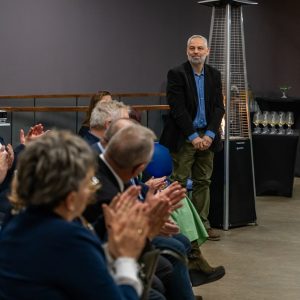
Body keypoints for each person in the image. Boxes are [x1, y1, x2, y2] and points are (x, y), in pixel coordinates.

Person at [0, 130, 149, 300]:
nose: (91, 193)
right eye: (88, 184)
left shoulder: (16, 216)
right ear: (70, 199)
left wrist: (106, 227)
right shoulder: (67, 238)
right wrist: (126, 259)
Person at [160, 34, 225, 241]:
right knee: (178, 183)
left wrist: (210, 135)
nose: (196, 52)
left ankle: (202, 225)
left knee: (203, 181)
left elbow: (218, 107)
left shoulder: (214, 75)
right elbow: (177, 109)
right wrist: (193, 136)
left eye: (199, 48)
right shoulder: (176, 74)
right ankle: (180, 226)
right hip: (184, 137)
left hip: (208, 136)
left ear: (207, 52)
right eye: (192, 48)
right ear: (187, 50)